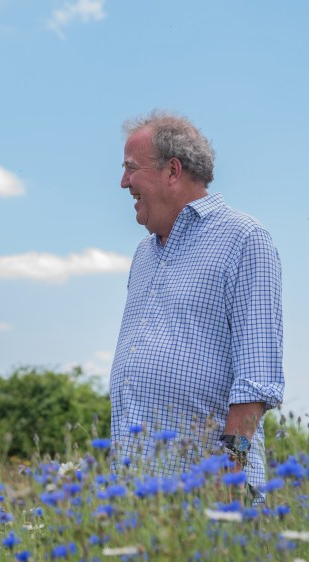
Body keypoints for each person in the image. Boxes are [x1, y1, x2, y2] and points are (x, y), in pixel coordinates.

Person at [109, 111, 284, 496]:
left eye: (131, 168)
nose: (123, 182)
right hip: (137, 497)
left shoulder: (244, 239)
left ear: (172, 171)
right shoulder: (144, 255)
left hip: (209, 496)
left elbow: (257, 382)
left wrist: (226, 482)